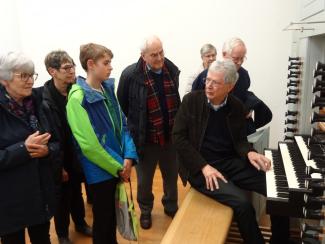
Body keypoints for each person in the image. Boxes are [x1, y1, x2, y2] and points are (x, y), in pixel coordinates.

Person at [172, 60, 290, 244]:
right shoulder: (191, 101)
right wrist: (203, 166)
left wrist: (249, 153)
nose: (208, 86)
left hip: (230, 162)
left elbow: (240, 140)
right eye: (207, 80)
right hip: (202, 168)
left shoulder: (235, 105)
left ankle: (281, 240)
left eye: (215, 82)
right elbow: (178, 138)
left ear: (230, 86)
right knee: (243, 206)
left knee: (278, 190)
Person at [66, 43, 138, 244]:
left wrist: (129, 157)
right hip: (100, 170)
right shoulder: (78, 99)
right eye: (106, 63)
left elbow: (123, 125)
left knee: (113, 217)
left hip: (118, 165)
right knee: (103, 220)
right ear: (90, 64)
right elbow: (90, 145)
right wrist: (119, 166)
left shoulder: (107, 90)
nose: (111, 67)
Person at [117, 35, 181, 229]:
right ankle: (145, 211)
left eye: (161, 52)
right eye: (154, 55)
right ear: (143, 56)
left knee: (171, 176)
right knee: (144, 181)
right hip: (145, 139)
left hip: (170, 136)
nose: (159, 58)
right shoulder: (130, 75)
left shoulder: (172, 69)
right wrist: (139, 126)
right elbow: (123, 105)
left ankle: (170, 206)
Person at [0, 52, 60, 244]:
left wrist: (48, 150)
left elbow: (57, 142)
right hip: (9, 202)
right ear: (4, 80)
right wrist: (22, 149)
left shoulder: (39, 103)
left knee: (43, 239)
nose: (29, 81)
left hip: (40, 195)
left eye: (31, 75)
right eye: (23, 76)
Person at [43, 50, 92, 244]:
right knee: (62, 197)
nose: (72, 71)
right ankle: (62, 234)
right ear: (52, 71)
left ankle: (80, 223)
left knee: (77, 192)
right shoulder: (44, 99)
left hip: (77, 152)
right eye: (66, 68)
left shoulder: (77, 90)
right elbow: (48, 134)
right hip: (59, 155)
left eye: (72, 66)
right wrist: (59, 165)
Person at [192, 37, 272, 135]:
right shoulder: (208, 75)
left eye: (242, 58)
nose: (240, 62)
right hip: (211, 131)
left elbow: (242, 97)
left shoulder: (244, 75)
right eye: (236, 59)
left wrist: (248, 108)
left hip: (235, 131)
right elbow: (194, 104)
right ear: (224, 55)